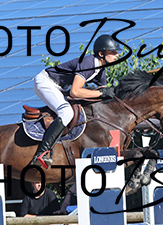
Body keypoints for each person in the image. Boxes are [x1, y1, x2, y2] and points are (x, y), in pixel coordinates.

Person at [30, 34, 122, 169]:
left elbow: (104, 94)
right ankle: (42, 152)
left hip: (59, 87)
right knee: (66, 112)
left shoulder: (100, 70)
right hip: (45, 82)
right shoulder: (88, 63)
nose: (117, 55)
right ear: (101, 54)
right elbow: (75, 91)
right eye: (112, 52)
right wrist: (101, 93)